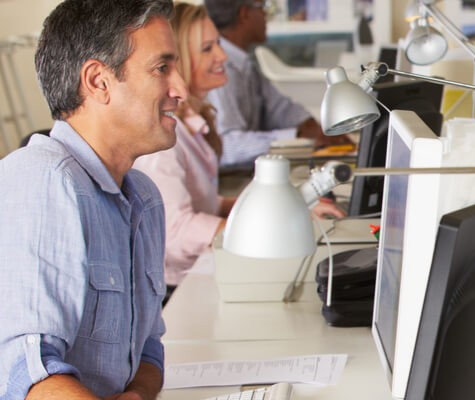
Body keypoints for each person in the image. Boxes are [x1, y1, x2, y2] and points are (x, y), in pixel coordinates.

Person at [0, 0, 182, 397]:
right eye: (162, 68)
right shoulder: (43, 181)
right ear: (98, 81)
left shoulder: (145, 199)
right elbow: (29, 378)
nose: (180, 89)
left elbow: (149, 351)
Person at [133, 3, 345, 291]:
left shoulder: (196, 123)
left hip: (202, 272)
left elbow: (209, 203)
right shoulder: (167, 139)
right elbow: (178, 230)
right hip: (178, 289)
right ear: (179, 61)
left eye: (218, 45)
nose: (222, 55)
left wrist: (284, 207)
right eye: (207, 49)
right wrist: (264, 227)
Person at [202, 0, 349, 169]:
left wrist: (309, 125)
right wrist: (296, 136)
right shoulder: (221, 71)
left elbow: (279, 108)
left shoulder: (245, 65)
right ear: (245, 14)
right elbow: (226, 145)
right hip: (230, 181)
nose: (266, 16)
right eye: (263, 8)